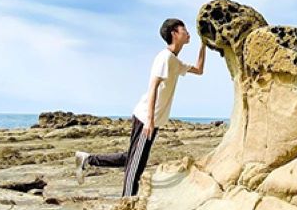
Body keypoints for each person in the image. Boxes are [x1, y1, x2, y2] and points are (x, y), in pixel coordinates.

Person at [74, 18, 206, 196]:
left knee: (133, 158)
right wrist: (149, 121)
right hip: (146, 117)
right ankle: (127, 202)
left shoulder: (175, 61)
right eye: (184, 29)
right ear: (174, 33)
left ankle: (87, 159)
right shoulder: (165, 58)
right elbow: (152, 88)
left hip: (152, 119)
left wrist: (203, 45)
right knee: (135, 166)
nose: (188, 33)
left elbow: (199, 70)